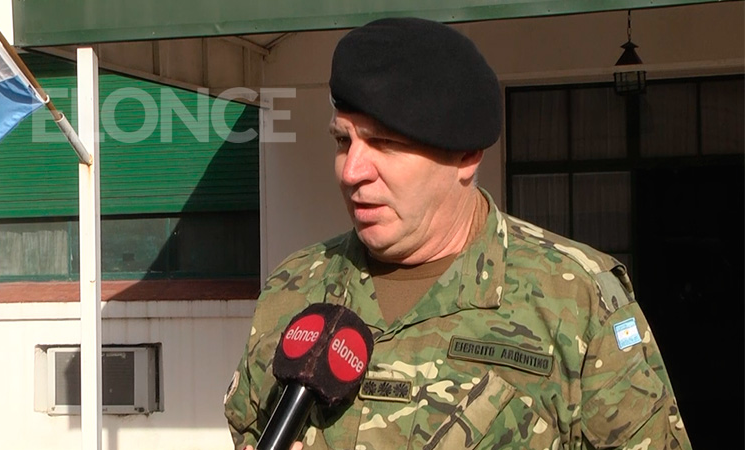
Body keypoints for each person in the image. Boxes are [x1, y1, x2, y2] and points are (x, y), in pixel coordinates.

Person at [224, 17, 692, 450]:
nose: (352, 171)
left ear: (465, 156)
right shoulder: (294, 288)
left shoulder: (577, 300)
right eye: (344, 140)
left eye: (385, 143)